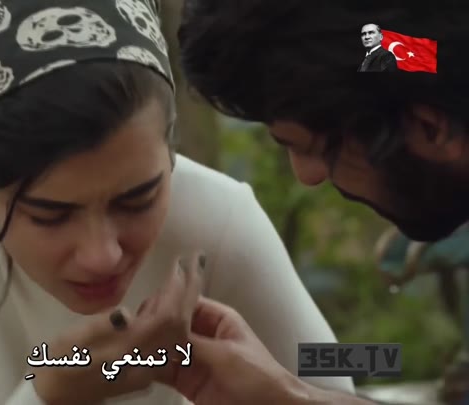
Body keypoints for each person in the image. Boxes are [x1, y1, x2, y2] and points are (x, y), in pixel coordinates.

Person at [0, 0, 353, 404]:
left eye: (138, 200)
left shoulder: (215, 216)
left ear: (170, 150)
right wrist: (49, 393)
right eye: (50, 215)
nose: (102, 255)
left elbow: (341, 370)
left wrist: (289, 394)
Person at [171, 0, 469, 402]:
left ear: (427, 128)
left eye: (306, 147)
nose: (307, 176)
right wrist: (287, 397)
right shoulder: (424, 60)